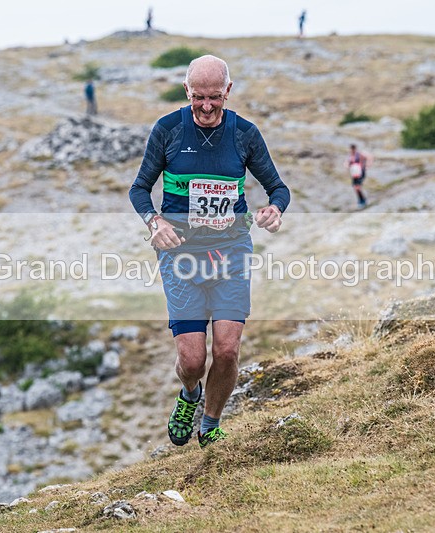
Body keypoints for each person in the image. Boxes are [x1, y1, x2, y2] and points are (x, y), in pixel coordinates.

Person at [129, 55, 290, 448]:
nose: (205, 106)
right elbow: (139, 189)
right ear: (187, 91)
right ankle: (189, 396)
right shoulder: (167, 130)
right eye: (198, 97)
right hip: (180, 255)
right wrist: (155, 221)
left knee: (228, 349)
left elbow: (279, 188)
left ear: (228, 92)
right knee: (192, 361)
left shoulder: (244, 134)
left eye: (214, 97)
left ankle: (211, 424)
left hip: (232, 251)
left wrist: (274, 209)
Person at [346, 144, 372, 209]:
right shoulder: (350, 156)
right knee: (355, 188)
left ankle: (362, 201)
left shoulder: (359, 154)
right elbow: (347, 163)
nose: (352, 150)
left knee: (358, 187)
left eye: (353, 149)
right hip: (354, 173)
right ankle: (361, 200)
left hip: (360, 172)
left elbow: (369, 157)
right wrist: (348, 166)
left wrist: (367, 165)